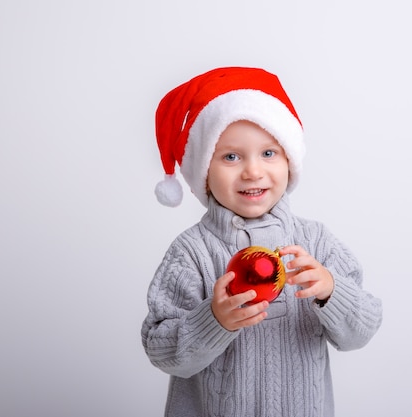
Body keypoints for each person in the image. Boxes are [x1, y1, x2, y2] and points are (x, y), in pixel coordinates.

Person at [141, 66, 383, 417]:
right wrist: (214, 319)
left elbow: (362, 330)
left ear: (289, 160)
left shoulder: (315, 241)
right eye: (231, 156)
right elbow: (160, 349)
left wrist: (332, 290)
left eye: (268, 153)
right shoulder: (191, 252)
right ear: (203, 171)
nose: (253, 171)